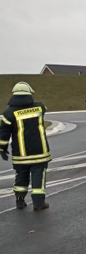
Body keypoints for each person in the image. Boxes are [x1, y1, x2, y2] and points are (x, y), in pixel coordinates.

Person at [0, 82, 52, 210]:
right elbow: (43, 106)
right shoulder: (39, 108)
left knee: (21, 176)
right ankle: (39, 203)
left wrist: (2, 149)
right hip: (39, 152)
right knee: (38, 176)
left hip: (20, 154)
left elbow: (3, 134)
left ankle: (19, 200)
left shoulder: (8, 114)